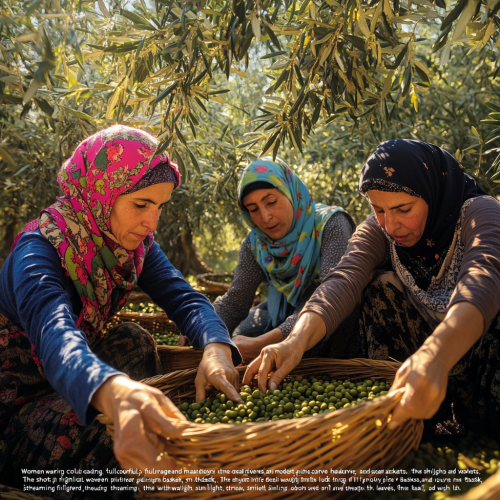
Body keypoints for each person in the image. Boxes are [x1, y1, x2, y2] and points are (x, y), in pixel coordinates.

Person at [0, 125, 242, 492]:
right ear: (101, 192)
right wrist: (115, 394)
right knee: (108, 433)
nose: (152, 222)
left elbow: (185, 297)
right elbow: (56, 337)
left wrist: (216, 347)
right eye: (141, 205)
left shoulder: (133, 247)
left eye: (160, 206)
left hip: (70, 382)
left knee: (135, 339)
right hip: (17, 405)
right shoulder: (37, 252)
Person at [244, 140, 500, 435]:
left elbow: (483, 278)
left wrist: (435, 356)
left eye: (403, 209)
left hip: (480, 355)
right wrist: (295, 341)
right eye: (378, 209)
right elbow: (344, 278)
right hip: (424, 368)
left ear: (432, 191)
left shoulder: (480, 212)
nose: (390, 225)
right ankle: (412, 423)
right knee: (377, 289)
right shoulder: (379, 230)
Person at [210, 158, 355, 363]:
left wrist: (267, 342)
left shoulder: (330, 225)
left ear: (291, 193)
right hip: (284, 318)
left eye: (271, 202)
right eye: (253, 209)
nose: (265, 216)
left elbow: (332, 298)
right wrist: (204, 327)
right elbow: (236, 302)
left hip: (334, 321)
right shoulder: (257, 244)